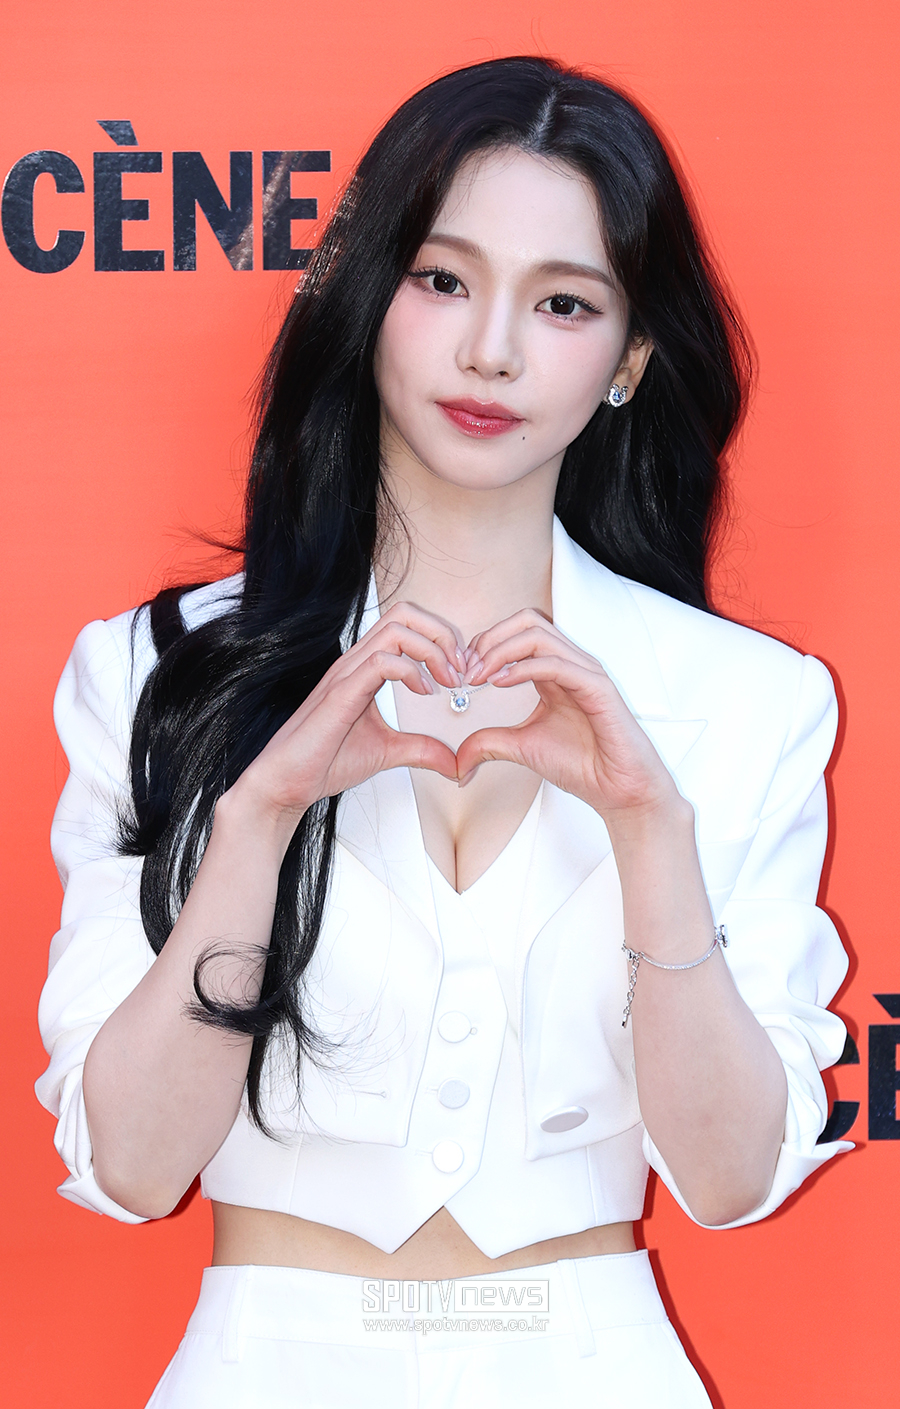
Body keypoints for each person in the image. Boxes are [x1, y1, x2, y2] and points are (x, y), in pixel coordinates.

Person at [36, 56, 852, 1408]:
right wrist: (257, 819)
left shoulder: (749, 700)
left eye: (564, 302)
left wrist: (650, 830)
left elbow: (726, 1179)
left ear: (630, 357)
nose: (493, 351)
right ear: (368, 297)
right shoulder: (158, 668)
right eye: (442, 281)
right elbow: (130, 1164)